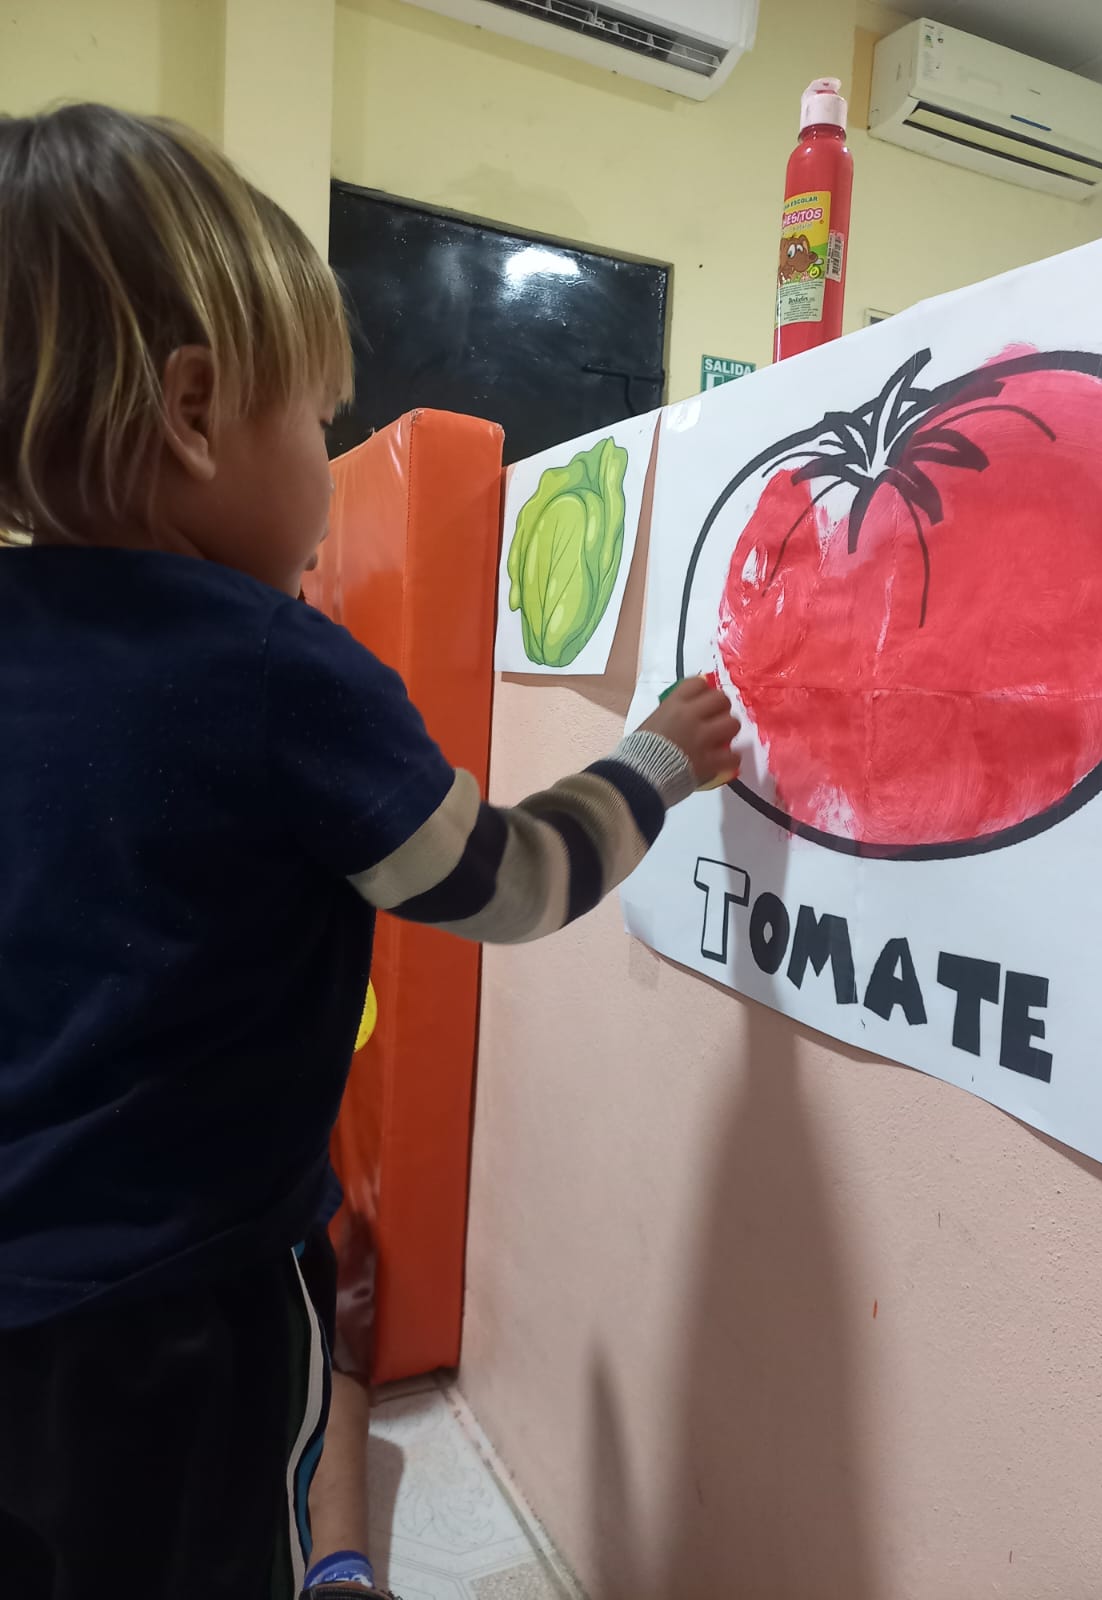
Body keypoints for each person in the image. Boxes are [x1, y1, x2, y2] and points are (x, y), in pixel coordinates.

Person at [0, 103, 738, 1599]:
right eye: (321, 426)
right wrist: (659, 760)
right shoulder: (279, 671)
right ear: (196, 410)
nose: (333, 475)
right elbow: (511, 883)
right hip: (183, 1315)